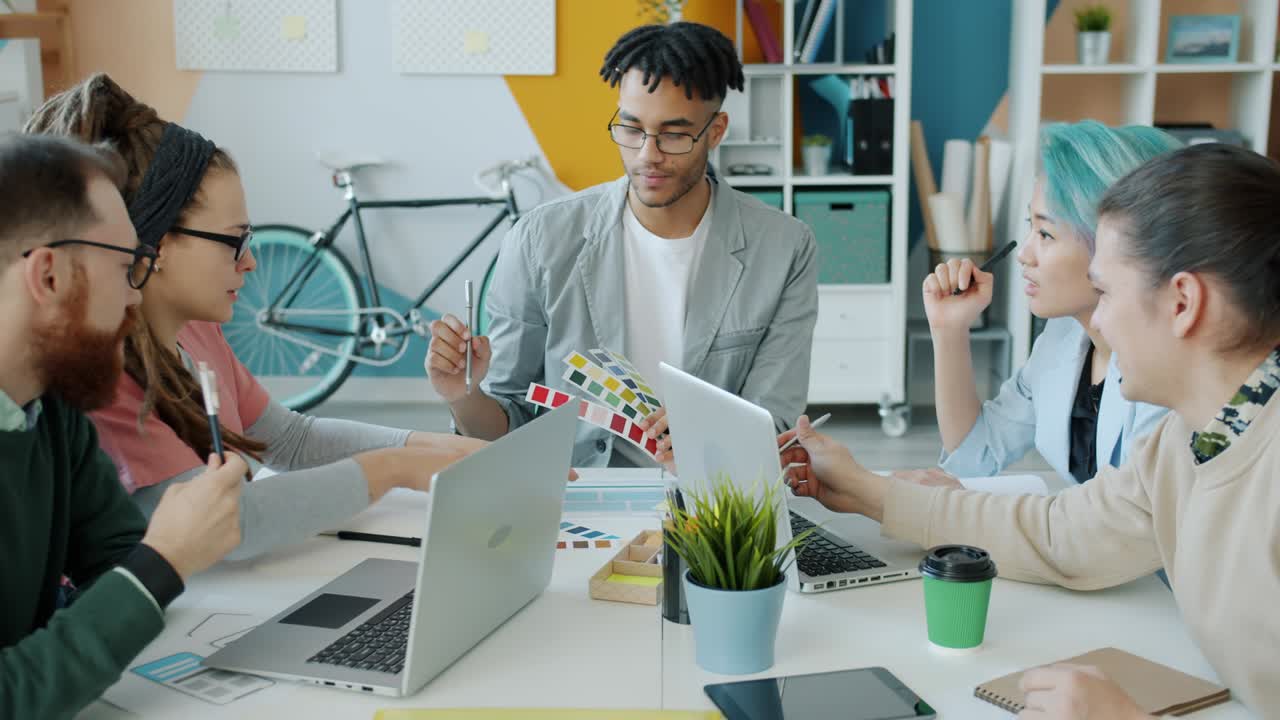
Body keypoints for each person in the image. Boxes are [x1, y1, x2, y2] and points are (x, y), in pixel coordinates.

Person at [783, 142, 1280, 717]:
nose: (1100, 319)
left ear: (1183, 303)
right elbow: (1060, 533)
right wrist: (863, 490)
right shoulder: (1185, 442)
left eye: (1106, 292)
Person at [25, 74, 485, 560]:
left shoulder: (196, 330)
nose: (251, 262)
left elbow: (289, 440)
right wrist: (396, 467)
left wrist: (437, 449)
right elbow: (235, 523)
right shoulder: (105, 378)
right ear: (156, 245)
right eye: (234, 241)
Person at [427, 22, 818, 468]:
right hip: (577, 491)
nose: (648, 154)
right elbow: (505, 425)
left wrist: (707, 434)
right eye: (631, 129)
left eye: (674, 134)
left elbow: (773, 422)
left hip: (714, 493)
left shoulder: (784, 248)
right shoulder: (539, 241)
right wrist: (463, 396)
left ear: (716, 131)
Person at [0, 133, 248, 719]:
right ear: (49, 276)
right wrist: (165, 557)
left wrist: (156, 562)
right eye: (124, 267)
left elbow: (113, 557)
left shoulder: (48, 406)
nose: (135, 300)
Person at [920, 121, 1179, 487]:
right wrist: (949, 330)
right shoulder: (1064, 336)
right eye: (1031, 225)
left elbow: (1130, 515)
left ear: (1117, 243)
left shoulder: (1168, 370)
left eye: (1045, 233)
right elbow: (976, 454)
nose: (1023, 254)